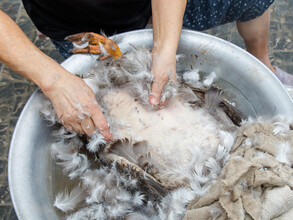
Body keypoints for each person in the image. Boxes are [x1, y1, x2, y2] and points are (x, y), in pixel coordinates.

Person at [0, 0, 292, 140]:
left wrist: (165, 47)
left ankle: (263, 64)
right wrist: (53, 78)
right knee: (103, 111)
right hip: (74, 22)